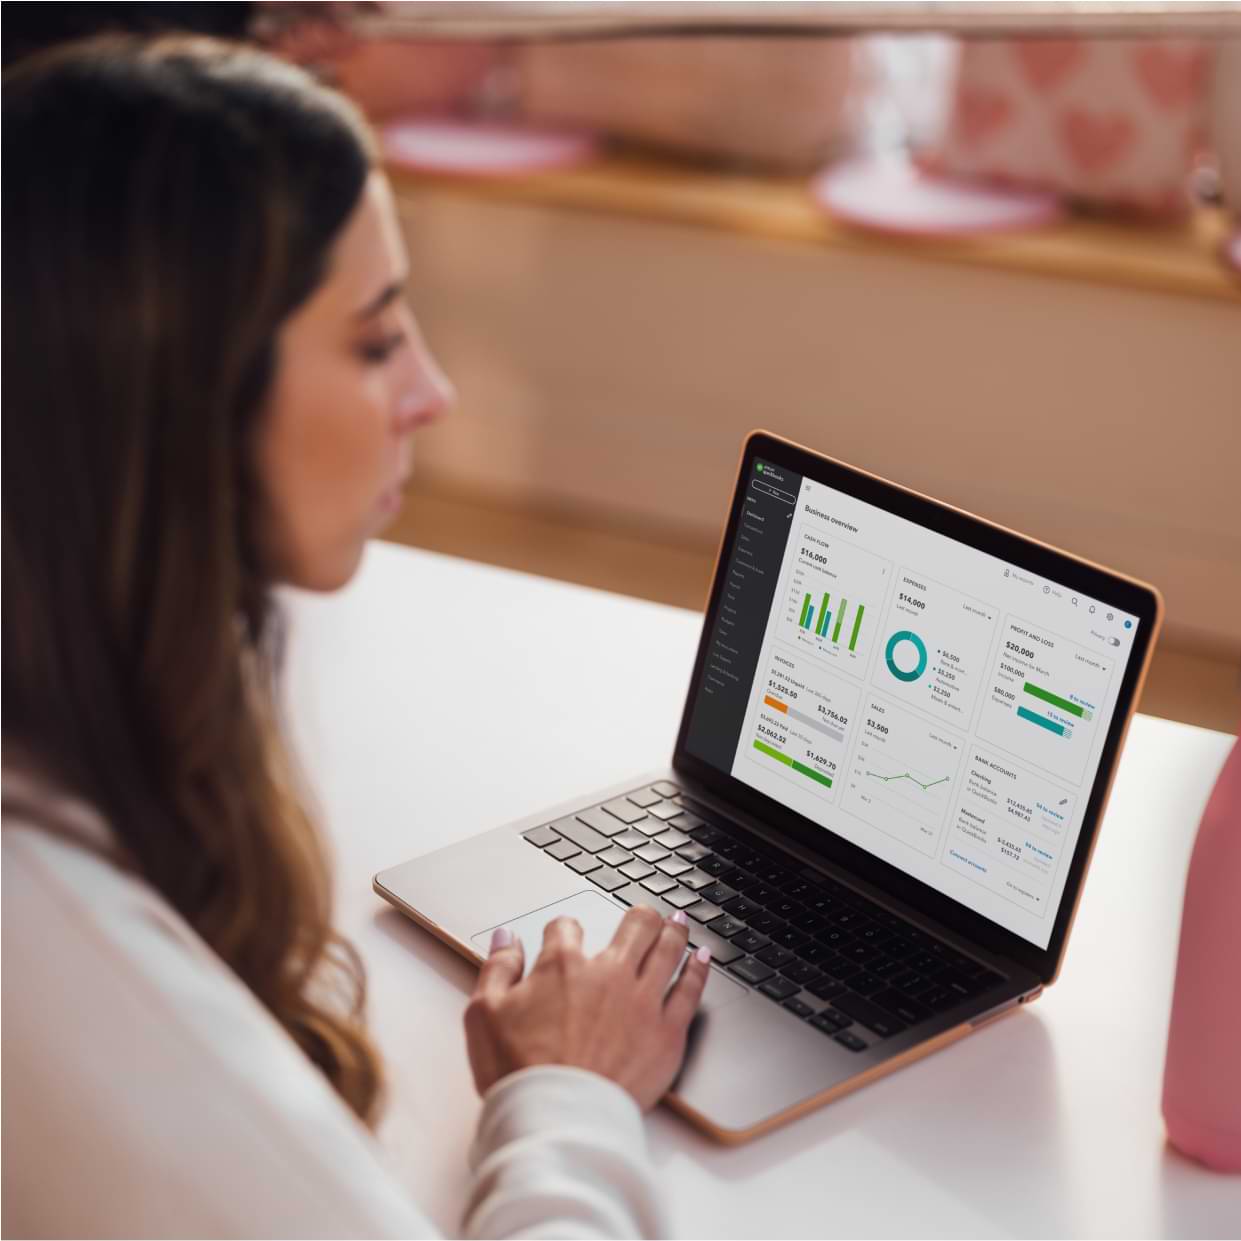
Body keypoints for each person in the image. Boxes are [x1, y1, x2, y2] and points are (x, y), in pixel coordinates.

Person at [1, 37, 710, 1239]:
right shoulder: (66, 963)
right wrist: (572, 1097)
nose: (431, 390)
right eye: (376, 340)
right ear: (183, 394)